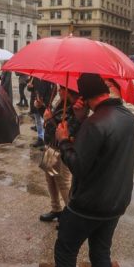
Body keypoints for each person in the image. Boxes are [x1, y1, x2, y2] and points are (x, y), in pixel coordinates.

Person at [18, 74, 134, 267]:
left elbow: (79, 166)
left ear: (83, 97)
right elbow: (104, 154)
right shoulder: (128, 118)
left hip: (88, 204)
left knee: (65, 253)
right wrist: (82, 120)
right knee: (101, 256)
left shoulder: (96, 123)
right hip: (115, 203)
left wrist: (63, 139)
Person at [39, 85, 81, 223]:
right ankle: (56, 209)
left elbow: (65, 131)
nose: (58, 91)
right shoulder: (60, 103)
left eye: (61, 88)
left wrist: (49, 119)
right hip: (51, 146)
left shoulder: (77, 108)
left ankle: (71, 216)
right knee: (50, 178)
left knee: (63, 182)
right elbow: (52, 124)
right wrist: (41, 109)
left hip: (63, 150)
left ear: (69, 91)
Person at [29, 77, 55, 148]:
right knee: (37, 122)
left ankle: (45, 141)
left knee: (44, 122)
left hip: (45, 103)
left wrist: (47, 102)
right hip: (35, 102)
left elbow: (53, 91)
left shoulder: (49, 78)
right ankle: (40, 138)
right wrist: (30, 87)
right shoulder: (35, 77)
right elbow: (31, 89)